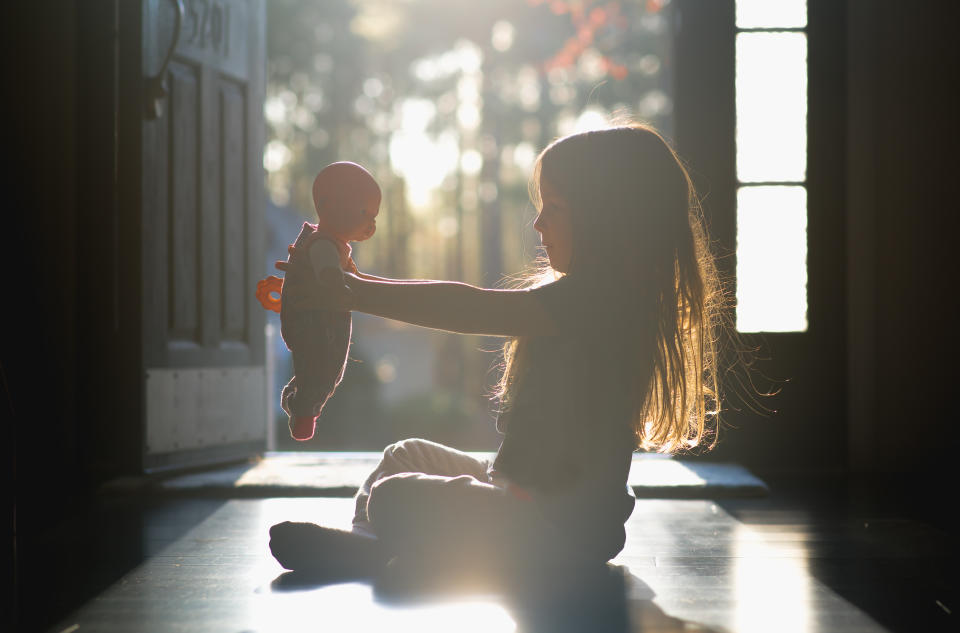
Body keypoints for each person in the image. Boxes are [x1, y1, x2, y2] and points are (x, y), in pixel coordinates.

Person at [268, 123, 725, 584]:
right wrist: (350, 286)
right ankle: (370, 548)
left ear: (608, 221)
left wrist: (349, 292)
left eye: (556, 208)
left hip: (558, 527)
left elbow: (469, 307)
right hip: (512, 492)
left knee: (390, 496)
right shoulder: (584, 298)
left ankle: (377, 547)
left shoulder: (600, 306)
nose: (538, 222)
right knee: (403, 455)